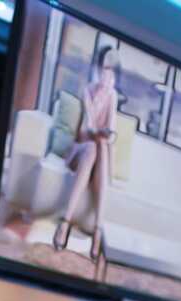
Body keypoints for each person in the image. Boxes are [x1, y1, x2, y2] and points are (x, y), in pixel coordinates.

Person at [52, 42, 120, 276]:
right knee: (92, 146)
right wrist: (99, 101)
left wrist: (106, 134)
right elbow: (85, 131)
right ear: (98, 68)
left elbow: (111, 132)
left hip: (98, 155)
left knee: (101, 146)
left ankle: (96, 229)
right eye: (104, 69)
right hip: (79, 151)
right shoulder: (88, 90)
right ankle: (66, 222)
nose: (106, 75)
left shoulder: (113, 95)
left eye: (110, 71)